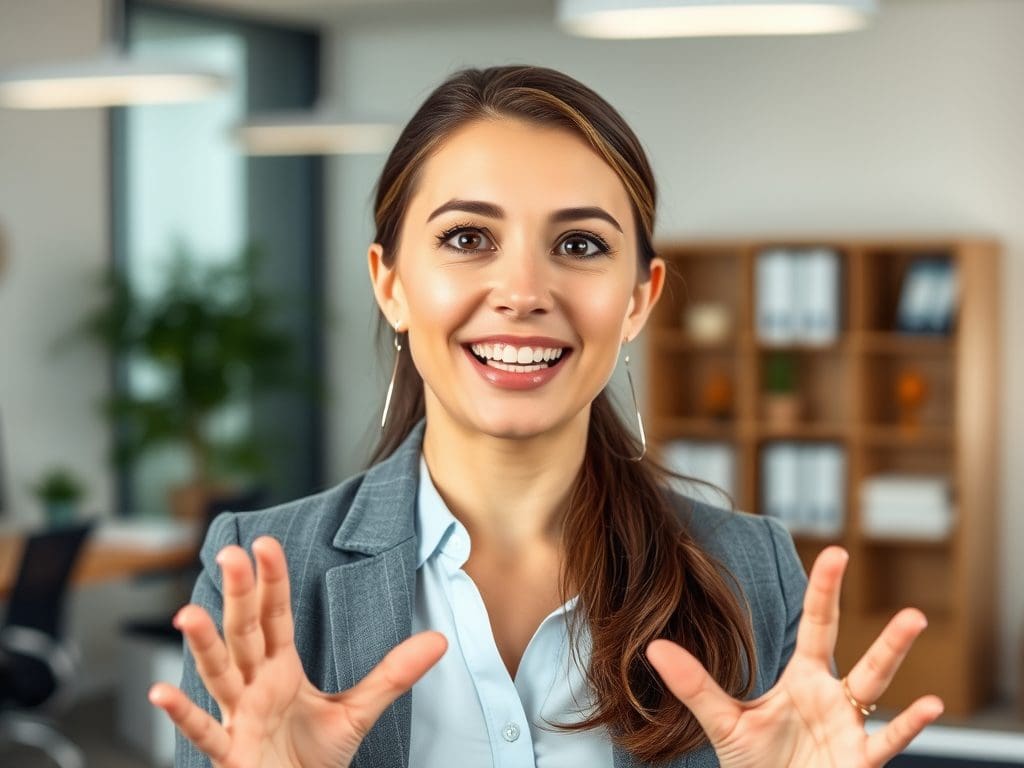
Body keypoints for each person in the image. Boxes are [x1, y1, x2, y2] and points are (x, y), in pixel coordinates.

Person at [148, 65, 943, 768]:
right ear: (390, 285)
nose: (524, 292)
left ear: (639, 300)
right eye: (468, 237)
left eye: (581, 245)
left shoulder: (750, 569)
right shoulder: (262, 574)